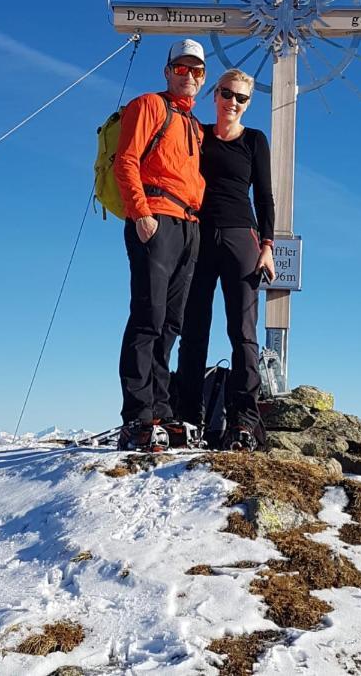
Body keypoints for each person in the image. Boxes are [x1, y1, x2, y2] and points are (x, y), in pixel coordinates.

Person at [173, 68, 276, 451]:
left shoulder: (254, 140)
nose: (233, 102)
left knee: (243, 333)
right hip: (198, 236)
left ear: (248, 104)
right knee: (194, 328)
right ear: (215, 94)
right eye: (228, 94)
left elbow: (265, 197)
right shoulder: (196, 134)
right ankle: (187, 417)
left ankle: (243, 421)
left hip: (241, 239)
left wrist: (267, 246)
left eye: (242, 98)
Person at [113, 39, 207, 452]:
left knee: (171, 322)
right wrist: (141, 213)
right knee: (148, 317)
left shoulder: (194, 125)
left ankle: (161, 411)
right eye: (182, 69)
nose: (189, 76)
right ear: (168, 71)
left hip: (188, 225)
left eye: (197, 71)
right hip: (154, 217)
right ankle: (136, 415)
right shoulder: (148, 105)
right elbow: (126, 159)